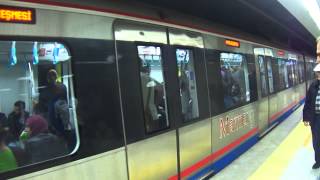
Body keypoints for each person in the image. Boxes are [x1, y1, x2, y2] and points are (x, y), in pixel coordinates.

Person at [38, 69, 69, 137]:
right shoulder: (62, 87)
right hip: (58, 121)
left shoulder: (31, 120)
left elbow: (25, 134)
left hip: (54, 121)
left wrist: (22, 140)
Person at [303, 63, 320, 169]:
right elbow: (308, 102)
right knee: (316, 141)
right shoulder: (313, 85)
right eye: (318, 73)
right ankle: (318, 161)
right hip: (316, 118)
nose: (319, 75)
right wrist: (306, 117)